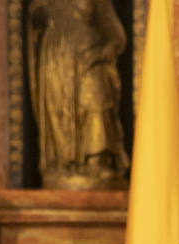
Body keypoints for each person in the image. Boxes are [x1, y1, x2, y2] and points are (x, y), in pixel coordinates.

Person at [27, 0, 129, 189]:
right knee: (59, 112)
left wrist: (100, 54)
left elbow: (117, 37)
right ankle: (64, 162)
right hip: (57, 62)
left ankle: (97, 158)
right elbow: (35, 21)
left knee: (96, 100)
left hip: (89, 59)